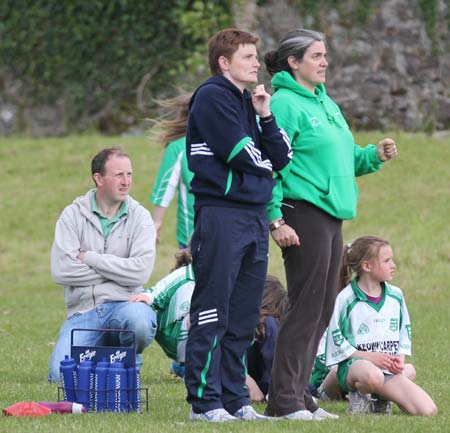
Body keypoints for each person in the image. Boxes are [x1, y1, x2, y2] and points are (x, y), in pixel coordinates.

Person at [263, 28, 399, 421]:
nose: (325, 62)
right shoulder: (285, 104)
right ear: (294, 62)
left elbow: (345, 160)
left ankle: (301, 396)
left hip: (330, 215)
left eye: (325, 55)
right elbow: (270, 165)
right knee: (305, 307)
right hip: (301, 212)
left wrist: (374, 155)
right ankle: (282, 402)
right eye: (317, 56)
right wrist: (275, 219)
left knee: (323, 308)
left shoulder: (327, 103)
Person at [184, 28, 293, 422]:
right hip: (221, 216)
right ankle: (205, 403)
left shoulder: (251, 101)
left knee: (245, 315)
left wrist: (265, 114)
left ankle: (236, 400)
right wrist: (263, 170)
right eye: (247, 56)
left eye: (255, 55)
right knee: (214, 310)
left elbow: (282, 155)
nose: (255, 63)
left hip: (252, 219)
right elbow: (241, 154)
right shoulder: (212, 96)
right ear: (224, 63)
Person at [48, 147, 158, 382]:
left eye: (129, 174)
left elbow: (140, 273)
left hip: (126, 305)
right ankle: (108, 361)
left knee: (140, 320)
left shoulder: (141, 217)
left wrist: (90, 258)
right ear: (98, 178)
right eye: (119, 175)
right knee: (59, 375)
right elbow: (61, 269)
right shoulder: (72, 215)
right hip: (84, 312)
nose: (126, 181)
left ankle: (127, 361)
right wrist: (119, 273)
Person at [129, 264, 287, 403]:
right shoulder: (264, 325)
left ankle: (183, 367)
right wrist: (248, 381)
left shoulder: (252, 323)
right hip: (238, 374)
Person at [325, 236, 437, 416]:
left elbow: (404, 331)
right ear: (367, 266)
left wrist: (399, 359)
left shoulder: (396, 295)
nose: (393, 265)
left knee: (427, 410)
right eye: (387, 260)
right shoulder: (345, 299)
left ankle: (378, 398)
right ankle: (359, 395)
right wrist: (369, 357)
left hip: (386, 370)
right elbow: (335, 339)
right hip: (355, 367)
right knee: (373, 376)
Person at [150, 94, 194, 248]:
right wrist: (156, 223)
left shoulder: (224, 142)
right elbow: (165, 187)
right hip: (192, 236)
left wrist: (157, 221)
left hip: (218, 231)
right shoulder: (178, 148)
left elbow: (164, 188)